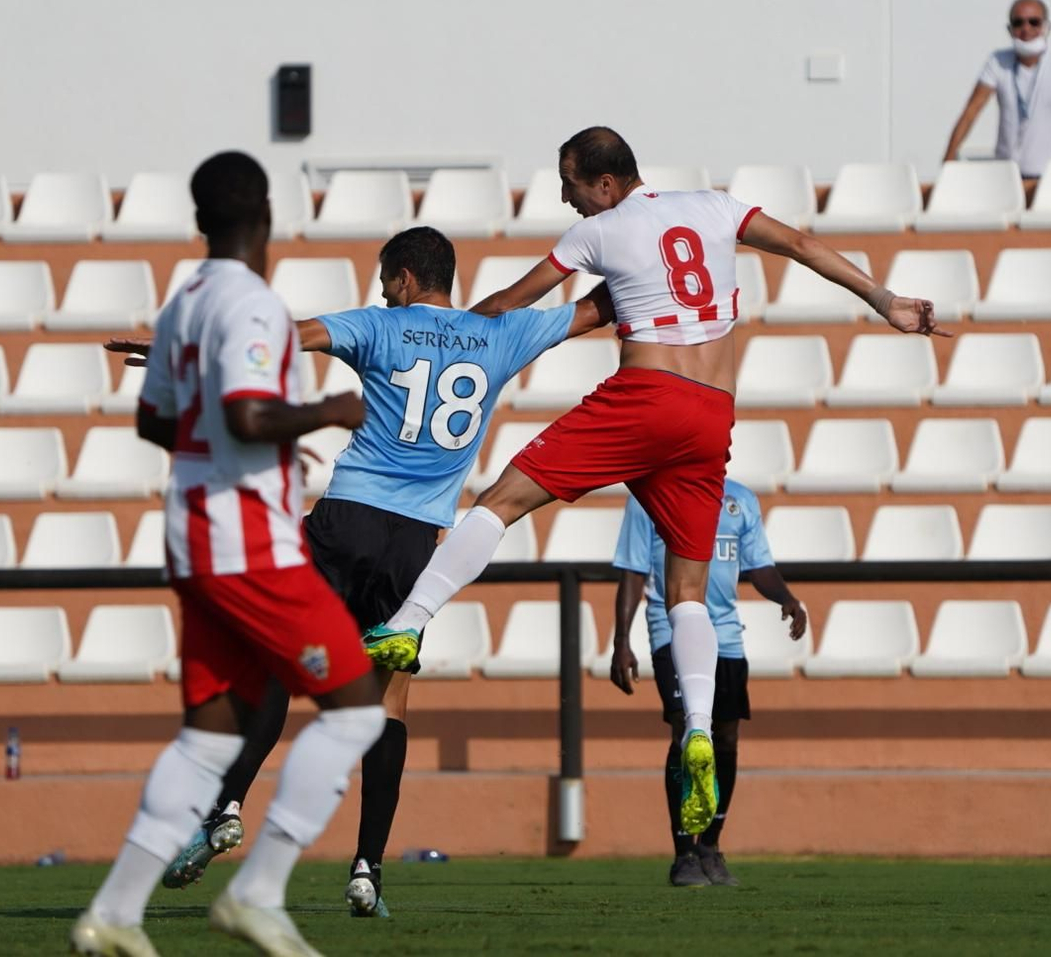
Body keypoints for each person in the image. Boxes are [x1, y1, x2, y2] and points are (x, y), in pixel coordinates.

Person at [363, 125, 948, 840]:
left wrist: (448, 332)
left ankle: (406, 622)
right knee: (688, 591)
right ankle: (698, 727)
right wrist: (884, 299)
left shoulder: (602, 230)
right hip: (711, 415)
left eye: (570, 182)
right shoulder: (714, 206)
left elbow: (516, 301)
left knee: (501, 501)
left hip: (646, 395)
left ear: (605, 185)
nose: (564, 197)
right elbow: (802, 245)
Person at [108, 227, 616, 917]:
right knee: (390, 702)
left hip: (345, 521)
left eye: (385, 277)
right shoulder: (502, 336)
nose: (380, 289)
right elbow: (597, 309)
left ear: (406, 277)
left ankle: (225, 807)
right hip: (417, 546)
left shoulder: (379, 325)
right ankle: (366, 868)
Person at [72, 150, 385, 957]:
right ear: (265, 219)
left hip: (193, 532)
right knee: (356, 705)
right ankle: (257, 889)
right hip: (248, 538)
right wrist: (325, 409)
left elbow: (154, 421)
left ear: (201, 220)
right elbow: (248, 417)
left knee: (210, 735)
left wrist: (239, 447)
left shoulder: (184, 300)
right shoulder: (250, 303)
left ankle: (113, 911)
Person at [608, 479, 806, 888]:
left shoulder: (740, 500)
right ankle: (683, 854)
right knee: (686, 731)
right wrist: (621, 641)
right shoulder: (649, 494)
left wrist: (786, 597)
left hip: (727, 636)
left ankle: (710, 846)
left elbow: (758, 566)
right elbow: (632, 569)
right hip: (671, 632)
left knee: (727, 737)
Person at [942, 0, 1051, 178]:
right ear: (1010, 29)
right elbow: (971, 111)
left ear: (1045, 26)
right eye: (1018, 23)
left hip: (1049, 175)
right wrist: (949, 158)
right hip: (1006, 175)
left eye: (1033, 22)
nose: (1026, 29)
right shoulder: (998, 61)